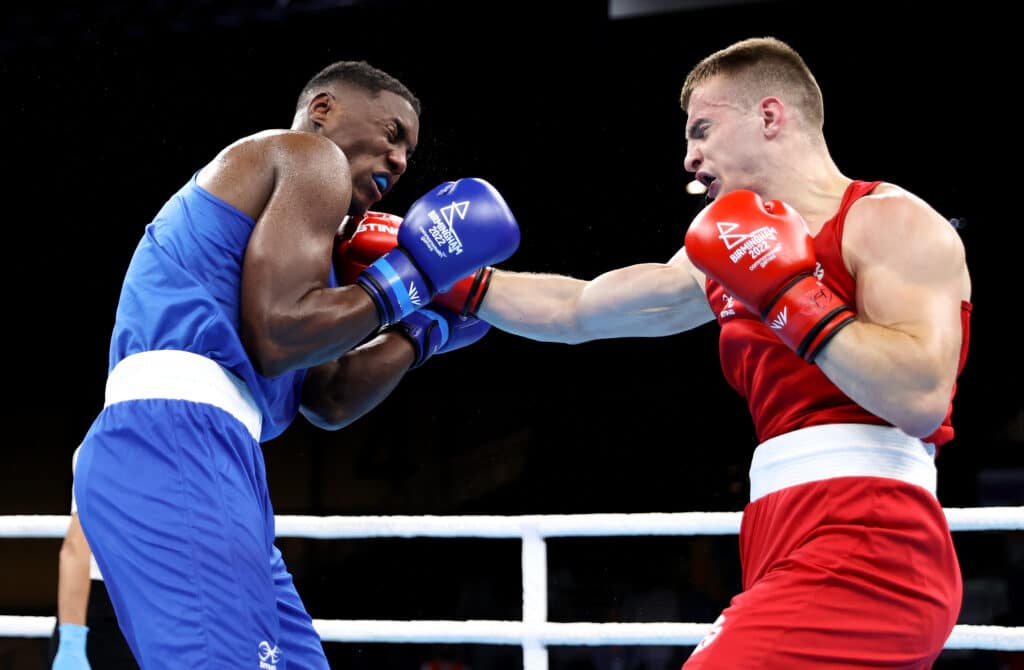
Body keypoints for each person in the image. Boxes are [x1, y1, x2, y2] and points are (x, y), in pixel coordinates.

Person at [440, 37, 971, 669]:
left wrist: (793, 298)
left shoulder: (890, 221)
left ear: (769, 116)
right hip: (779, 530)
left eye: (703, 130)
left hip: (872, 538)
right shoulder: (727, 254)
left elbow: (919, 396)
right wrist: (446, 279)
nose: (689, 157)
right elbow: (580, 309)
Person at [72, 59, 520, 670]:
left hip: (210, 449)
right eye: (393, 134)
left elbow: (327, 398)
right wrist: (411, 278)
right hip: (174, 435)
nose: (400, 161)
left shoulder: (311, 248)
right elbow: (280, 338)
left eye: (411, 152)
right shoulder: (308, 156)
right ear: (325, 108)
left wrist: (424, 331)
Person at [50, 445, 139, 670]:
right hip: (125, 604)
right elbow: (76, 545)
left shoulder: (101, 445)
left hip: (107, 605)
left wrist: (71, 641)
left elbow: (75, 546)